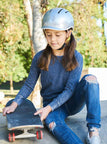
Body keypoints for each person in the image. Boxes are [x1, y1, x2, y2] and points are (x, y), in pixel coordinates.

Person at [3, 8, 101, 144]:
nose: (52, 39)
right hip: (52, 106)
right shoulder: (40, 58)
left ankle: (93, 131)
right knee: (53, 124)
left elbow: (70, 90)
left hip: (72, 102)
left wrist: (47, 109)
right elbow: (29, 84)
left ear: (68, 33)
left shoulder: (76, 57)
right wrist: (15, 103)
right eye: (48, 34)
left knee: (91, 80)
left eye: (57, 35)